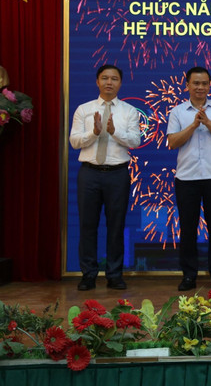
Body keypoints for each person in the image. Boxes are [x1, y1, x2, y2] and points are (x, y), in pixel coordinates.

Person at [69, 64, 141, 291]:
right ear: (97, 81)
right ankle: (88, 275)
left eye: (114, 78)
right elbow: (74, 141)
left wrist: (113, 132)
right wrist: (94, 133)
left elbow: (135, 141)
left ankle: (114, 275)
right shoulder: (84, 109)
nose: (109, 82)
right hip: (89, 173)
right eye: (105, 78)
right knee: (87, 225)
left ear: (120, 83)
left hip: (117, 174)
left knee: (116, 226)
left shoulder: (129, 111)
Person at [167, 66, 211, 291]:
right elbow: (173, 142)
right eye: (196, 83)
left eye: (204, 83)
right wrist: (194, 125)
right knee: (188, 229)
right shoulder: (177, 112)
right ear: (187, 85)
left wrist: (207, 122)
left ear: (209, 85)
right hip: (186, 178)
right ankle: (188, 276)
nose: (200, 87)